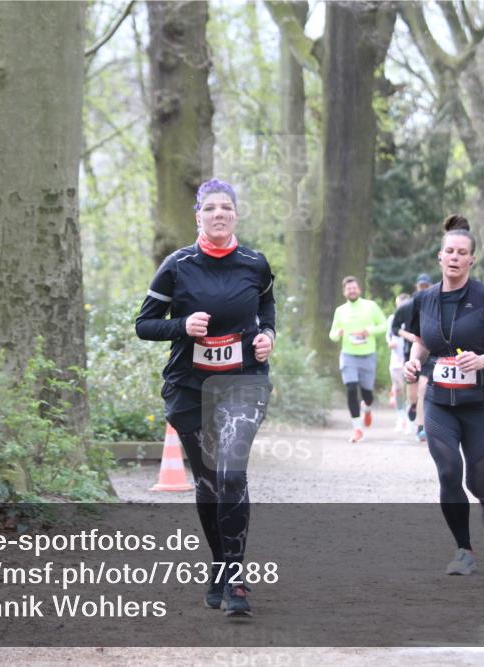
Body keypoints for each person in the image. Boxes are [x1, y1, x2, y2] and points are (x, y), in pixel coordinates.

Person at [136, 179, 275, 617]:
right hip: (190, 386)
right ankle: (221, 564)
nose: (219, 214)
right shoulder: (177, 265)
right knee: (209, 483)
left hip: (243, 384)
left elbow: (267, 311)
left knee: (232, 475)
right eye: (211, 208)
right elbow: (144, 324)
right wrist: (182, 327)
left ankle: (235, 580)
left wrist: (267, 335)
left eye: (227, 208)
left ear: (236, 215)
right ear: (198, 216)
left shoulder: (255, 263)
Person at [403, 214, 484, 576]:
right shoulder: (423, 301)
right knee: (449, 472)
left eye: (462, 252)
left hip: (481, 405)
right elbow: (421, 341)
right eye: (449, 251)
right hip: (440, 402)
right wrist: (412, 362)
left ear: (471, 260)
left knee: (477, 480)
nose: (454, 257)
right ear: (439, 257)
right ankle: (464, 550)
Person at [328, 276, 388, 443]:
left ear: (359, 289)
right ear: (344, 292)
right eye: (348, 289)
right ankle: (357, 428)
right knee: (351, 388)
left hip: (368, 355)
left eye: (354, 288)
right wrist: (337, 334)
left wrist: (370, 331)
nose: (352, 290)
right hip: (348, 355)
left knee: (367, 394)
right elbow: (332, 334)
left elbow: (384, 325)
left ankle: (367, 408)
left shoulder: (371, 306)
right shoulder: (340, 311)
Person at [392, 274, 433, 441]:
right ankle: (414, 406)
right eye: (421, 286)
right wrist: (409, 336)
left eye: (426, 286)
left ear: (430, 286)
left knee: (424, 388)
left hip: (431, 353)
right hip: (413, 352)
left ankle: (422, 428)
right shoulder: (408, 306)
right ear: (417, 287)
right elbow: (395, 327)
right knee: (413, 393)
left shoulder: (438, 304)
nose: (423, 289)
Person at [386, 293, 413, 433]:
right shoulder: (392, 318)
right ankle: (400, 418)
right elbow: (388, 335)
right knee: (398, 390)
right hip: (396, 360)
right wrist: (390, 343)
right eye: (399, 305)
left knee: (410, 391)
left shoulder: (413, 318)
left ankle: (410, 420)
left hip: (409, 359)